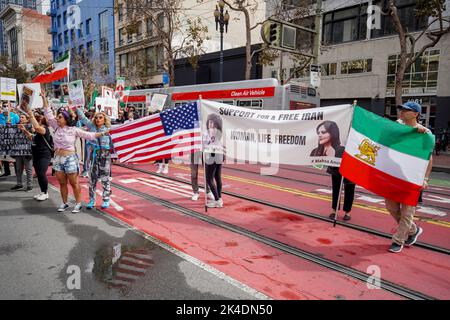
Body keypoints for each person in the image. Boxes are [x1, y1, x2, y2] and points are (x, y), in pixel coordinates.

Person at [42, 89, 107, 213]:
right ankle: (65, 203)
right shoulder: (56, 127)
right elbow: (48, 113)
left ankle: (78, 203)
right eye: (57, 117)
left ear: (65, 119)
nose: (57, 118)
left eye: (60, 117)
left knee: (74, 182)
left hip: (70, 158)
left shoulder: (73, 129)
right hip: (57, 159)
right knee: (62, 183)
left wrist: (104, 132)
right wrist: (44, 98)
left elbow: (90, 135)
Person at [386, 101, 432, 253]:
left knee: (407, 212)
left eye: (406, 110)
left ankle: (398, 240)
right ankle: (413, 230)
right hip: (395, 176)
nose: (402, 112)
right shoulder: (398, 128)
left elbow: (428, 158)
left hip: (413, 178)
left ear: (416, 114)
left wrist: (425, 178)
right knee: (391, 207)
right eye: (402, 109)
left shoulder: (424, 133)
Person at [76, 107, 113, 209]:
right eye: (96, 117)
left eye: (100, 117)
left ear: (104, 119)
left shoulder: (109, 129)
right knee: (92, 179)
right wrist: (76, 107)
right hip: (94, 155)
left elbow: (115, 143)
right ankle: (92, 200)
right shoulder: (91, 126)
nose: (98, 119)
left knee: (105, 178)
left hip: (105, 155)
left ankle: (106, 200)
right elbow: (83, 118)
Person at [325, 125, 355, 221]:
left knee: (349, 187)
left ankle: (348, 211)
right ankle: (334, 210)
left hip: (351, 161)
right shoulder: (338, 126)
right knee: (336, 187)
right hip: (337, 161)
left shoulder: (357, 126)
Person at [25, 109, 53, 201]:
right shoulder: (38, 131)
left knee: (41, 173)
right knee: (39, 174)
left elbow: (36, 127)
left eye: (38, 120)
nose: (35, 122)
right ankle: (42, 191)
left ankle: (45, 193)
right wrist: (24, 130)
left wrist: (30, 114)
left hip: (44, 155)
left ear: (41, 121)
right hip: (37, 155)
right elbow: (32, 137)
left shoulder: (45, 129)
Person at [203, 113, 224, 208]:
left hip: (213, 154)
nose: (211, 124)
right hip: (219, 153)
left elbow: (205, 144)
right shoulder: (219, 131)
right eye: (210, 122)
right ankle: (219, 198)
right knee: (217, 177)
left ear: (216, 123)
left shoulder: (210, 132)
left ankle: (217, 200)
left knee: (209, 178)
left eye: (213, 122)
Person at [12, 114, 33, 192]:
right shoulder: (16, 127)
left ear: (27, 119)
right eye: (20, 117)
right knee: (18, 169)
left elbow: (32, 137)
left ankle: (29, 185)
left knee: (28, 169)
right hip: (18, 151)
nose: (20, 118)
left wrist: (24, 130)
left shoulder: (31, 127)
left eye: (22, 117)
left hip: (27, 151)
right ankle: (19, 184)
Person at [0, 101, 20, 177]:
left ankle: (17, 172)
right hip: (3, 140)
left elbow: (19, 126)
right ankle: (7, 171)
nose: (5, 107)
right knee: (4, 156)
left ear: (10, 107)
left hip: (13, 140)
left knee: (13, 156)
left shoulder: (15, 116)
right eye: (4, 106)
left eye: (7, 106)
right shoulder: (0, 116)